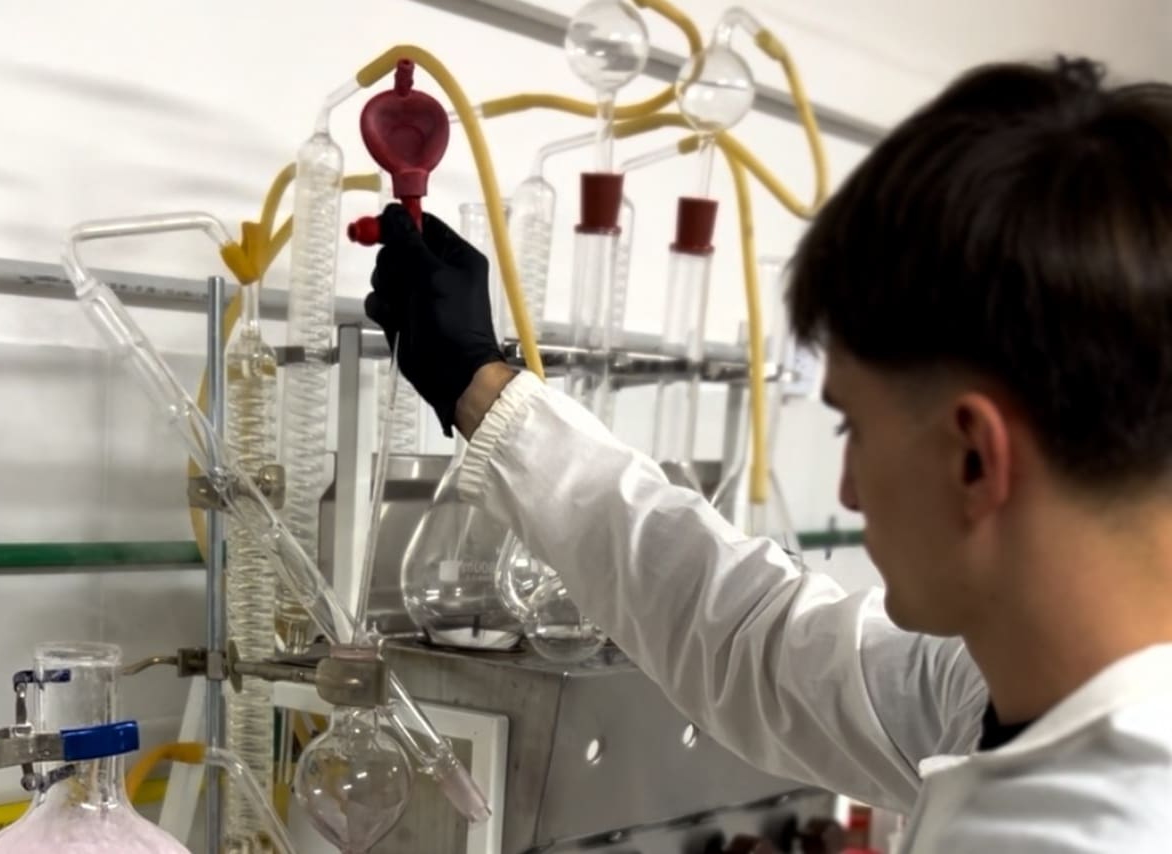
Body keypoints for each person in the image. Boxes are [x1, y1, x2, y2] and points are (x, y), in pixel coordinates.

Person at [364, 56, 1172, 852]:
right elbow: (762, 640)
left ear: (973, 459)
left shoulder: (1081, 831)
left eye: (852, 426)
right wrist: (481, 386)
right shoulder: (1020, 688)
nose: (849, 493)